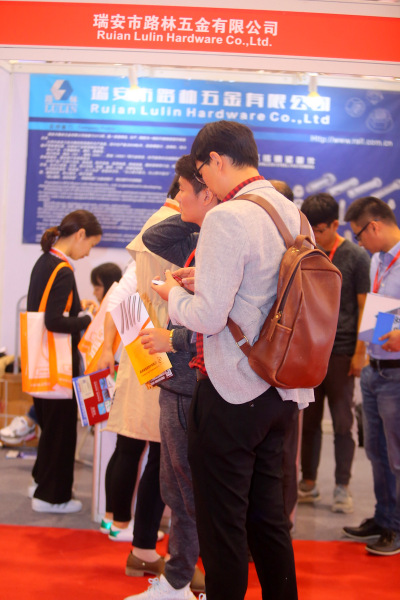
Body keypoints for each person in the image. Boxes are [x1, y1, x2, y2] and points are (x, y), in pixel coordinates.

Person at [151, 121, 313, 600]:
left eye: (201, 170)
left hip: (232, 389)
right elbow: (263, 292)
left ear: (216, 160)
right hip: (279, 385)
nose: (203, 180)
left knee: (222, 527)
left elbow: (208, 317)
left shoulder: (228, 216)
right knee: (268, 520)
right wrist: (203, 282)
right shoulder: (291, 212)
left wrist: (172, 295)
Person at [123, 154, 218, 600]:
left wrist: (173, 338)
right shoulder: (198, 238)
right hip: (175, 381)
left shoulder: (224, 245)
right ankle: (179, 579)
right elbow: (155, 235)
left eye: (183, 189)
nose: (176, 198)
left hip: (193, 380)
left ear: (208, 191)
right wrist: (198, 215)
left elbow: (219, 321)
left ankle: (188, 578)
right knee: (173, 487)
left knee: (189, 489)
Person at [298, 193, 370, 513]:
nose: (315, 235)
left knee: (343, 422)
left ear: (336, 225)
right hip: (309, 352)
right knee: (309, 422)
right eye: (310, 229)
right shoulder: (304, 252)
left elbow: (365, 307)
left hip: (342, 352)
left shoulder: (356, 256)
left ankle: (342, 486)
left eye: (321, 230)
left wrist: (359, 352)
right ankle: (308, 482)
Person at [27, 209, 102, 513]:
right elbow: (54, 321)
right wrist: (86, 319)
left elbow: (45, 310)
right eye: (91, 245)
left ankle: (41, 483)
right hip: (58, 363)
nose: (88, 253)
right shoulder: (64, 269)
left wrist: (77, 311)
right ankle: (52, 497)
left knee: (50, 428)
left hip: (40, 360)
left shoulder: (45, 260)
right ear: (80, 234)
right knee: (60, 432)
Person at [343, 196, 400, 556]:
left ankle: (396, 528)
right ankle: (384, 517)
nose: (359, 242)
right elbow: (382, 310)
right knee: (377, 453)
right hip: (375, 369)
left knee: (398, 457)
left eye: (360, 234)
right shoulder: (379, 259)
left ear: (374, 226)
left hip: (397, 374)